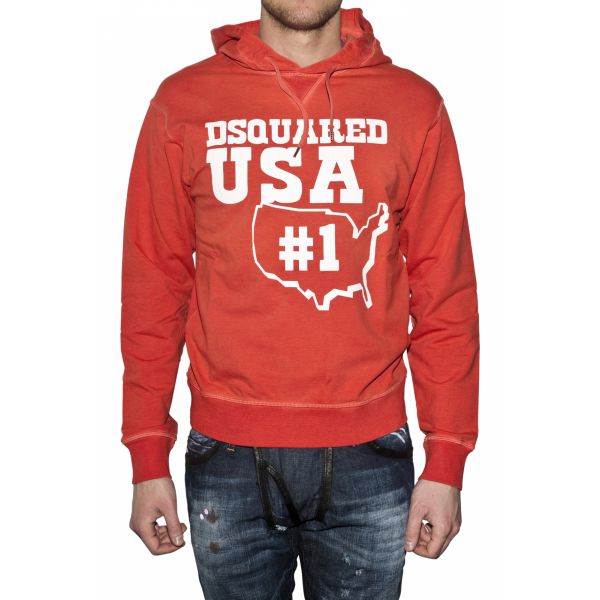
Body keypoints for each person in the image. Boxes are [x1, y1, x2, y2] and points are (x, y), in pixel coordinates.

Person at [120, 2, 479, 598]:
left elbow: (445, 294)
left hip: (371, 452)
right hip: (226, 454)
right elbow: (152, 287)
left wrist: (448, 459)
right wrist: (146, 454)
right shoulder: (182, 103)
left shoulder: (413, 105)